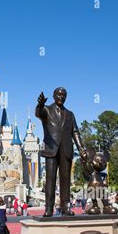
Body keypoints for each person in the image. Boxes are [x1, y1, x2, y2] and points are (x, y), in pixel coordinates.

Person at [35, 88, 88, 217]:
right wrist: (40, 105)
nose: (61, 96)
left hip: (66, 150)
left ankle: (66, 207)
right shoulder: (46, 110)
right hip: (51, 149)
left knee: (66, 180)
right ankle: (49, 208)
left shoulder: (70, 114)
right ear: (53, 96)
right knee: (50, 180)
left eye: (64, 95)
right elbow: (38, 113)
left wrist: (81, 148)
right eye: (59, 94)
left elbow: (75, 131)